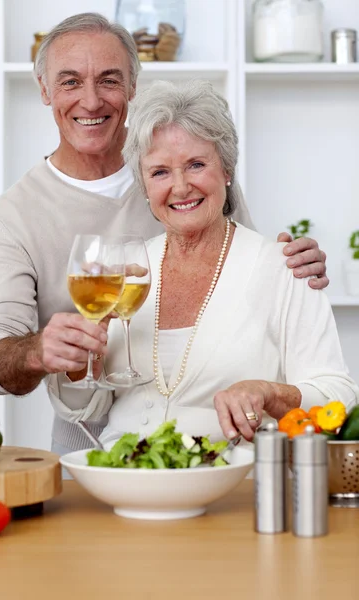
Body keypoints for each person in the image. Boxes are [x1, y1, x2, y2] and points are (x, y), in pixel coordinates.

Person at [0, 13, 329, 455]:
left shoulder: (185, 158)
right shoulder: (15, 215)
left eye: (108, 79)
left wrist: (294, 266)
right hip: (89, 438)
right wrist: (37, 351)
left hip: (214, 441)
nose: (90, 100)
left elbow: (242, 275)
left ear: (133, 86)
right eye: (69, 82)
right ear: (44, 90)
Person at [51, 79, 358, 449]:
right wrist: (83, 357)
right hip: (123, 478)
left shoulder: (284, 268)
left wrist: (268, 393)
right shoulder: (128, 269)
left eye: (196, 165)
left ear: (226, 170)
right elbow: (85, 406)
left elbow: (338, 396)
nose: (180, 188)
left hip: (234, 484)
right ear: (145, 186)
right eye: (160, 172)